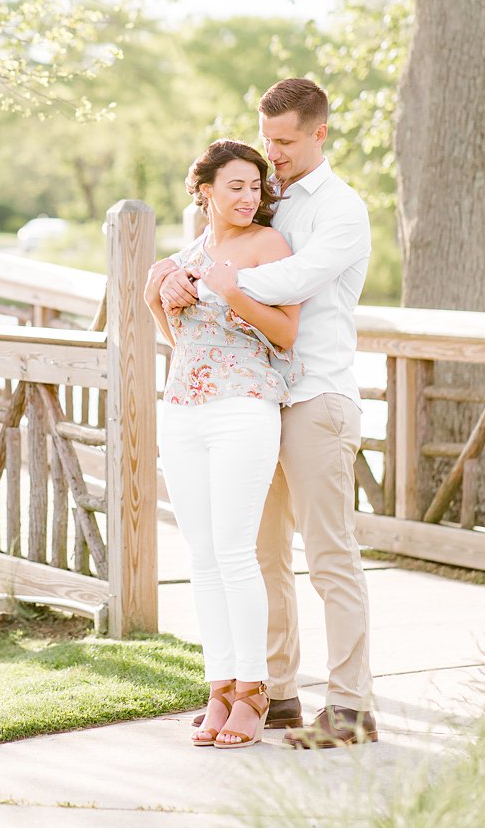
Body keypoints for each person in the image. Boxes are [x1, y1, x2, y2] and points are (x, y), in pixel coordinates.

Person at [160, 78, 377, 748]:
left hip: (316, 397)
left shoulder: (342, 209)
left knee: (330, 555)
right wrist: (177, 275)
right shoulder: (267, 198)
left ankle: (351, 706)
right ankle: (276, 691)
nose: (273, 153)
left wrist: (207, 281)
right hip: (257, 402)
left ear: (319, 134)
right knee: (261, 555)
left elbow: (295, 280)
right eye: (267, 139)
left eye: (284, 141)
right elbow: (224, 240)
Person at [143, 139, 303, 749]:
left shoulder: (269, 246)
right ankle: (219, 687)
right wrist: (159, 295)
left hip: (244, 407)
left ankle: (254, 691)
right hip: (183, 410)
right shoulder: (187, 255)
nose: (247, 197)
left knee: (235, 552)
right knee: (202, 556)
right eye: (235, 186)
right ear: (205, 190)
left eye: (255, 187)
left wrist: (232, 291)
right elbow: (182, 341)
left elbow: (286, 334)